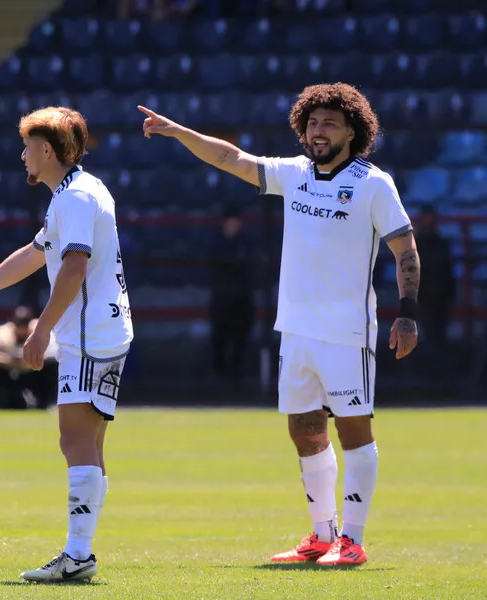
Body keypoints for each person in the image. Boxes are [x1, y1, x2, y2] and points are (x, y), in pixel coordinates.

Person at [139, 83, 420, 566]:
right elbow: (231, 159)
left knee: (355, 433)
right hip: (296, 330)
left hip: (347, 333)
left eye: (330, 122)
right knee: (306, 431)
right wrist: (175, 131)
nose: (318, 130)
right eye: (312, 122)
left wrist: (407, 315)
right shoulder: (294, 174)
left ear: (353, 130)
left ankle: (352, 541)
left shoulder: (374, 183)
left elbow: (405, 250)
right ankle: (321, 535)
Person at [0, 106, 133, 582]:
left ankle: (78, 554)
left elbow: (75, 266)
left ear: (46, 150)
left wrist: (42, 330)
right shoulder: (76, 191)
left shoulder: (75, 197)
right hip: (104, 328)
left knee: (75, 439)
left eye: (27, 146)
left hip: (87, 334)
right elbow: (35, 253)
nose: (22, 155)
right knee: (89, 442)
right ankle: (80, 550)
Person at [0, 305, 58, 409]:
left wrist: (31, 359)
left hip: (34, 372)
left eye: (24, 326)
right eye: (19, 326)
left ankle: (47, 402)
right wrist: (7, 360)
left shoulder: (40, 330)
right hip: (9, 372)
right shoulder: (2, 333)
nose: (21, 331)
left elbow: (55, 353)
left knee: (52, 366)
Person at [209, 205, 255, 383]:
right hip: (221, 299)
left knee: (240, 341)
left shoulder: (247, 242)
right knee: (219, 340)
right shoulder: (216, 242)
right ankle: (217, 378)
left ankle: (238, 380)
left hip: (242, 299)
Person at [414, 205, 455, 377]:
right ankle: (426, 377)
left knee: (439, 338)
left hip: (440, 299)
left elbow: (448, 272)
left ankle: (440, 377)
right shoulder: (415, 244)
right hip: (423, 299)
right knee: (425, 338)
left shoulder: (441, 243)